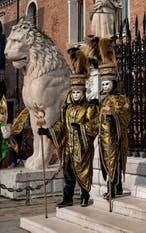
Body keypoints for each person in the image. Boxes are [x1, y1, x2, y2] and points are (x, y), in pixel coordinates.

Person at [38, 48, 99, 208]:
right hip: (68, 149)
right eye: (74, 92)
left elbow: (94, 125)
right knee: (69, 175)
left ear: (83, 92)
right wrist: (48, 130)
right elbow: (61, 126)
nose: (76, 95)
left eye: (79, 92)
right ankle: (68, 198)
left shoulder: (89, 108)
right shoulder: (67, 108)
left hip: (83, 148)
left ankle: (85, 196)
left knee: (83, 173)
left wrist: (81, 128)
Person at [98, 63, 130, 199]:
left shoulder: (122, 99)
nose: (105, 87)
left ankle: (112, 188)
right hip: (104, 138)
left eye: (107, 84)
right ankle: (118, 187)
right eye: (103, 84)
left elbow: (125, 116)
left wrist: (114, 116)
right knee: (107, 163)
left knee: (114, 162)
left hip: (116, 137)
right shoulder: (104, 100)